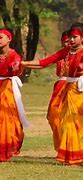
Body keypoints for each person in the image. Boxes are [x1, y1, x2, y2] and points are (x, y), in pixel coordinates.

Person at [21, 24, 83, 165]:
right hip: (68, 90)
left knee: (80, 123)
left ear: (82, 37)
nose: (71, 40)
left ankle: (80, 152)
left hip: (80, 91)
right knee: (67, 123)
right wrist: (24, 63)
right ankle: (69, 155)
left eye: (74, 37)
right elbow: (44, 62)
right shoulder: (65, 51)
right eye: (70, 37)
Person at [0, 28, 28, 162]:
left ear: (9, 39)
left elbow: (16, 65)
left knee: (7, 118)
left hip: (7, 89)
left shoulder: (14, 55)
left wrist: (16, 67)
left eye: (0, 37)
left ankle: (6, 148)